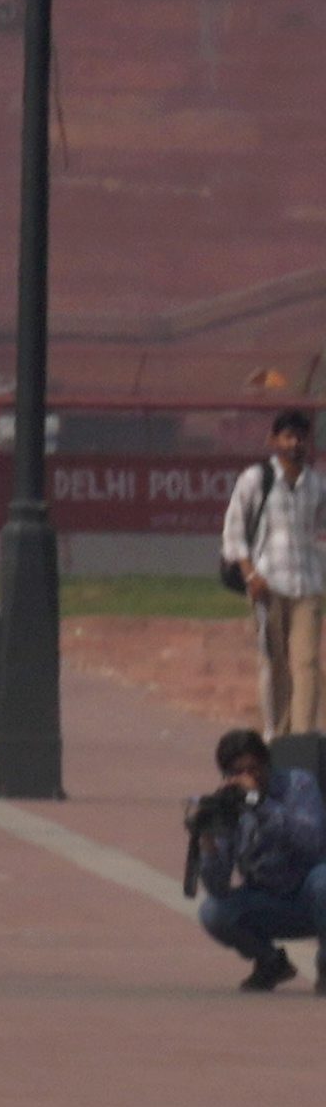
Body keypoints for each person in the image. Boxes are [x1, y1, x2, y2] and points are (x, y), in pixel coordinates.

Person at [188, 725, 326, 991]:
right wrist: (208, 844)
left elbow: (313, 841)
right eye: (238, 772)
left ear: (267, 764)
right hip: (269, 901)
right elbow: (218, 887)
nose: (248, 778)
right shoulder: (229, 803)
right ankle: (271, 962)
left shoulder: (298, 784)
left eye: (254, 769)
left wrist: (260, 804)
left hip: (309, 893)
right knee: (213, 912)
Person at [226, 410, 326, 739]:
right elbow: (235, 530)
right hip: (268, 585)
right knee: (275, 664)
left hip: (308, 585)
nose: (295, 443)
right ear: (274, 440)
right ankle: (277, 737)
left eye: (300, 437)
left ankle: (303, 739)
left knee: (308, 665)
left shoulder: (316, 484)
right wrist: (250, 574)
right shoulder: (257, 479)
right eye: (288, 436)